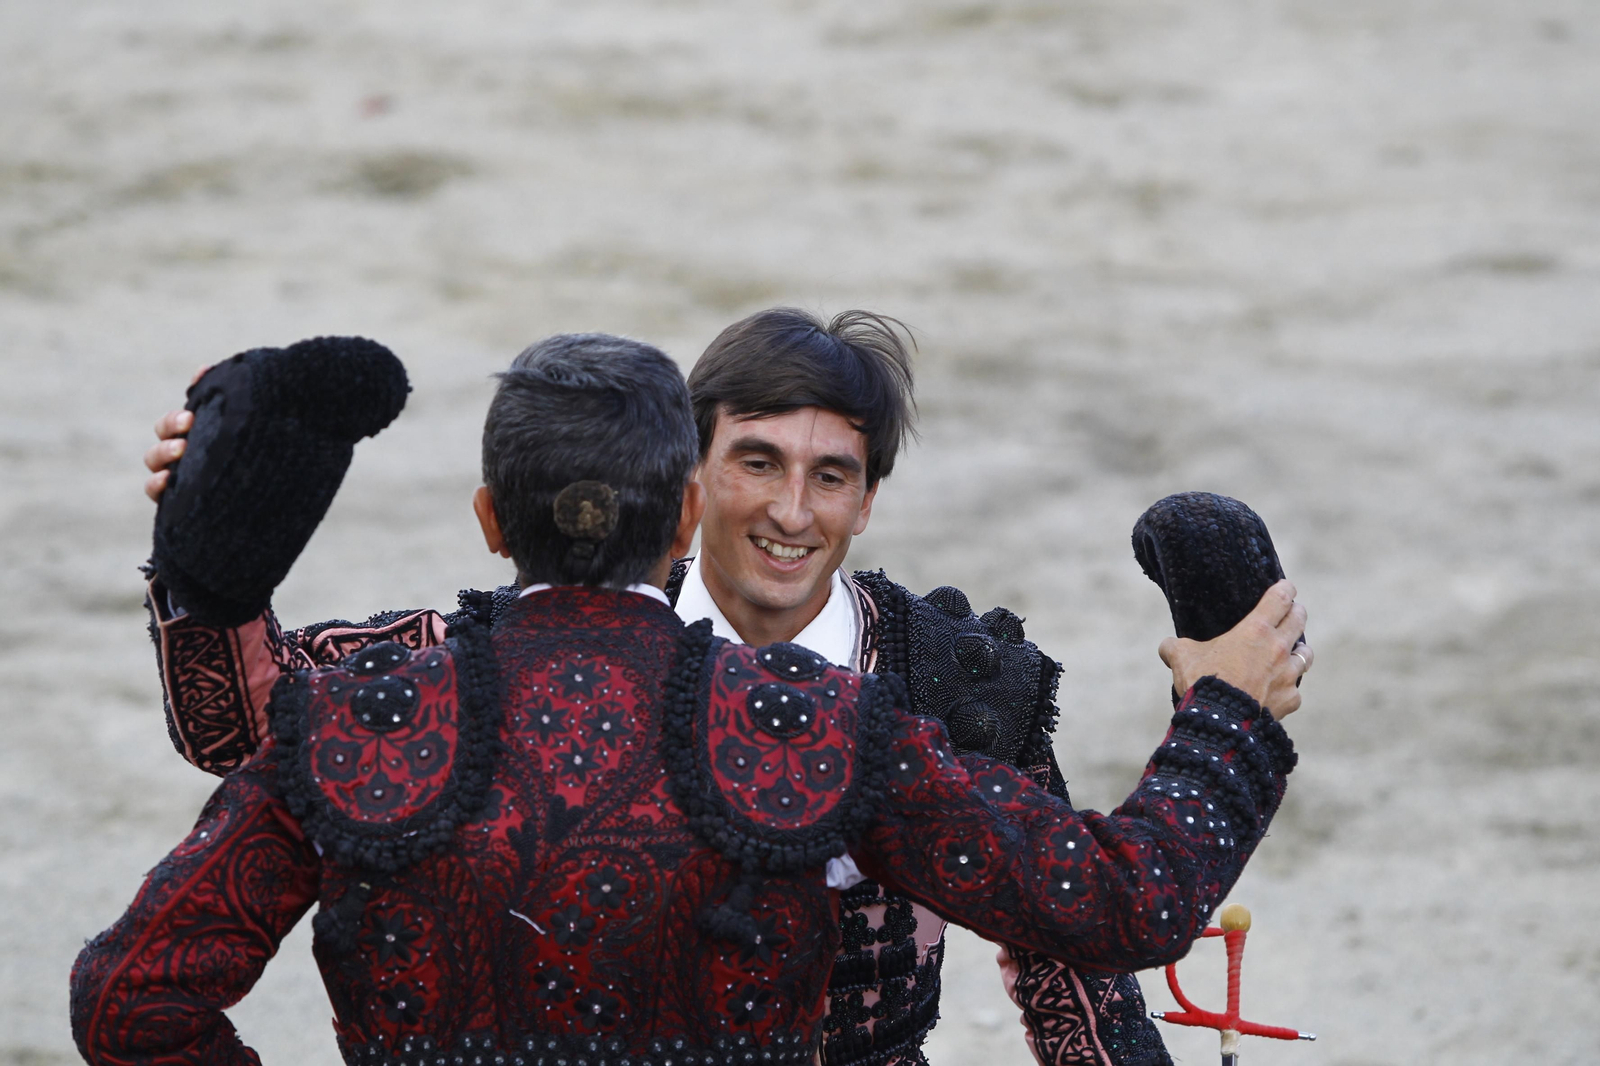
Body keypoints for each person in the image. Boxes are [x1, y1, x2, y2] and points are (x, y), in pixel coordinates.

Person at [74, 332, 1306, 1065]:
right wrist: (1229, 716)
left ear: (492, 520)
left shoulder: (382, 704)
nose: (788, 509)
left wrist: (212, 545)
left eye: (830, 474)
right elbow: (1116, 900)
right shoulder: (835, 731)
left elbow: (134, 997)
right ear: (687, 498)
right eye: (757, 463)